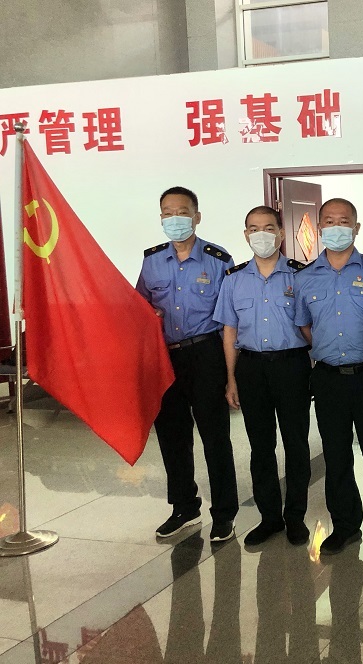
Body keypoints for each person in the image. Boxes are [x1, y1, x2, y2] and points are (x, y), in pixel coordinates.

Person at [295, 198, 363, 557]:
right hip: (328, 379)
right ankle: (345, 527)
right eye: (329, 221)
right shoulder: (305, 277)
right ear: (319, 228)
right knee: (336, 456)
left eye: (344, 221)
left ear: (356, 228)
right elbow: (305, 327)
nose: (336, 227)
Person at [137, 186, 239, 542]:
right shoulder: (151, 261)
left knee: (215, 437)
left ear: (196, 217)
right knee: (172, 435)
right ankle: (184, 508)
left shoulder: (218, 260)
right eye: (167, 213)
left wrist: (231, 375)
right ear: (161, 218)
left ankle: (224, 513)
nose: (175, 218)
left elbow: (230, 320)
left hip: (205, 353)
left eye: (182, 212)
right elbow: (139, 308)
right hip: (166, 357)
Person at [213, 205, 312, 547]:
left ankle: (295, 517)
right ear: (246, 235)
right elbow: (229, 331)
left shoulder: (300, 276)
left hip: (292, 365)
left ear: (281, 233)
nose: (262, 235)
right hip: (251, 368)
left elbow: (312, 327)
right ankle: (270, 517)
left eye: (268, 228)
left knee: (296, 444)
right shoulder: (234, 279)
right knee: (260, 446)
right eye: (254, 229)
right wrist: (231, 378)